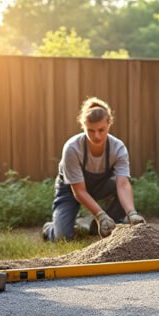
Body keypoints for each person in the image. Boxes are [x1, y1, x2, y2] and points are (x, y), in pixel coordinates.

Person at [42, 97, 145, 242]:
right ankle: (51, 228)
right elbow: (79, 191)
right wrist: (100, 215)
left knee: (118, 189)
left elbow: (123, 184)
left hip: (100, 186)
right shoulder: (72, 148)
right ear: (83, 126)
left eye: (101, 130)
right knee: (62, 238)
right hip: (70, 190)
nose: (96, 136)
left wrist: (132, 213)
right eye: (91, 131)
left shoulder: (118, 148)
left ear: (109, 124)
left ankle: (103, 225)